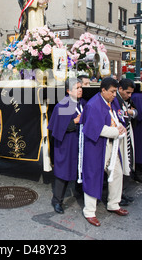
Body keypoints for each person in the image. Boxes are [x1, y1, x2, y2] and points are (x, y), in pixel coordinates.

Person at [80, 77, 128, 227]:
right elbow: (96, 129)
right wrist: (116, 131)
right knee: (93, 175)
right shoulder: (93, 104)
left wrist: (121, 126)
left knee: (117, 173)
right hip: (96, 145)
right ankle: (89, 212)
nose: (115, 95)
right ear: (103, 90)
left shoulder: (111, 101)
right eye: (112, 91)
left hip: (112, 144)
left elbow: (117, 116)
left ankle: (113, 204)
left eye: (115, 91)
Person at [47, 78, 86, 214]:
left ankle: (79, 191)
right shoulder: (62, 105)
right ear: (68, 91)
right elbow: (56, 129)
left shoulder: (83, 103)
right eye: (77, 88)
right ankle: (57, 201)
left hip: (79, 142)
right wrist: (74, 121)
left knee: (80, 168)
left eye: (81, 87)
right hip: (65, 144)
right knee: (63, 173)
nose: (80, 89)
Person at [115, 78, 137, 205]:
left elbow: (134, 112)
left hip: (126, 132)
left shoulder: (123, 100)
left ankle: (122, 193)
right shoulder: (117, 99)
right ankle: (118, 195)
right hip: (120, 134)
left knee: (127, 162)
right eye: (127, 93)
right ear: (120, 89)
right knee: (121, 165)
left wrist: (130, 112)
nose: (129, 96)